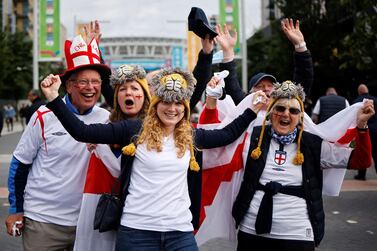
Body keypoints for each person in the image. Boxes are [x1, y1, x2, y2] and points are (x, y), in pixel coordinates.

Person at [40, 67, 265, 251]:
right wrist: (54, 98)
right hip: (136, 232)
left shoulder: (191, 135)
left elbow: (227, 135)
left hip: (180, 233)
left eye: (178, 103)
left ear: (185, 108)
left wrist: (251, 110)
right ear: (156, 104)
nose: (172, 108)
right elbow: (82, 132)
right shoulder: (133, 129)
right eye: (166, 102)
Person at [231, 81, 373, 251]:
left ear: (300, 116)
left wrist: (362, 127)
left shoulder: (313, 145)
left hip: (297, 234)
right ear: (270, 112)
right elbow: (220, 143)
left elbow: (361, 161)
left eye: (293, 111)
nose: (285, 114)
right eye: (280, 108)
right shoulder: (253, 137)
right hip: (251, 232)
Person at [5, 34, 111, 251]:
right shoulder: (44, 116)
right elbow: (20, 163)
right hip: (43, 221)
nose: (90, 87)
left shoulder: (106, 119)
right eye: (82, 81)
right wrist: (16, 209)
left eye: (95, 82)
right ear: (69, 85)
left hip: (87, 222)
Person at [73, 64, 151, 251]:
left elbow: (122, 170)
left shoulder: (155, 128)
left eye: (134, 88)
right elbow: (80, 131)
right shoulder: (106, 125)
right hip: (102, 207)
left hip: (142, 213)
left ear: (145, 96)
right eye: (122, 89)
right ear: (116, 97)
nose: (128, 93)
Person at [353, 84, 377, 180]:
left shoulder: (357, 102)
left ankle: (361, 175)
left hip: (363, 130)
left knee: (362, 150)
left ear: (359, 92)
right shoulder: (375, 99)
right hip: (376, 130)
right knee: (376, 152)